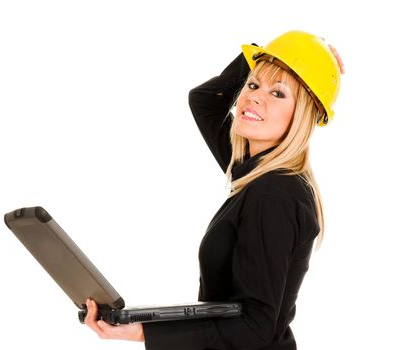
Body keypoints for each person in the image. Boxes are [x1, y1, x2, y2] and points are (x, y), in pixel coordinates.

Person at [84, 30, 344, 349]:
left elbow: (253, 327)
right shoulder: (254, 172)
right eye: (253, 83)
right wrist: (274, 57)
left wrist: (143, 332)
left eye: (278, 93)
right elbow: (206, 102)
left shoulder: (273, 194)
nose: (253, 97)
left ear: (302, 114)